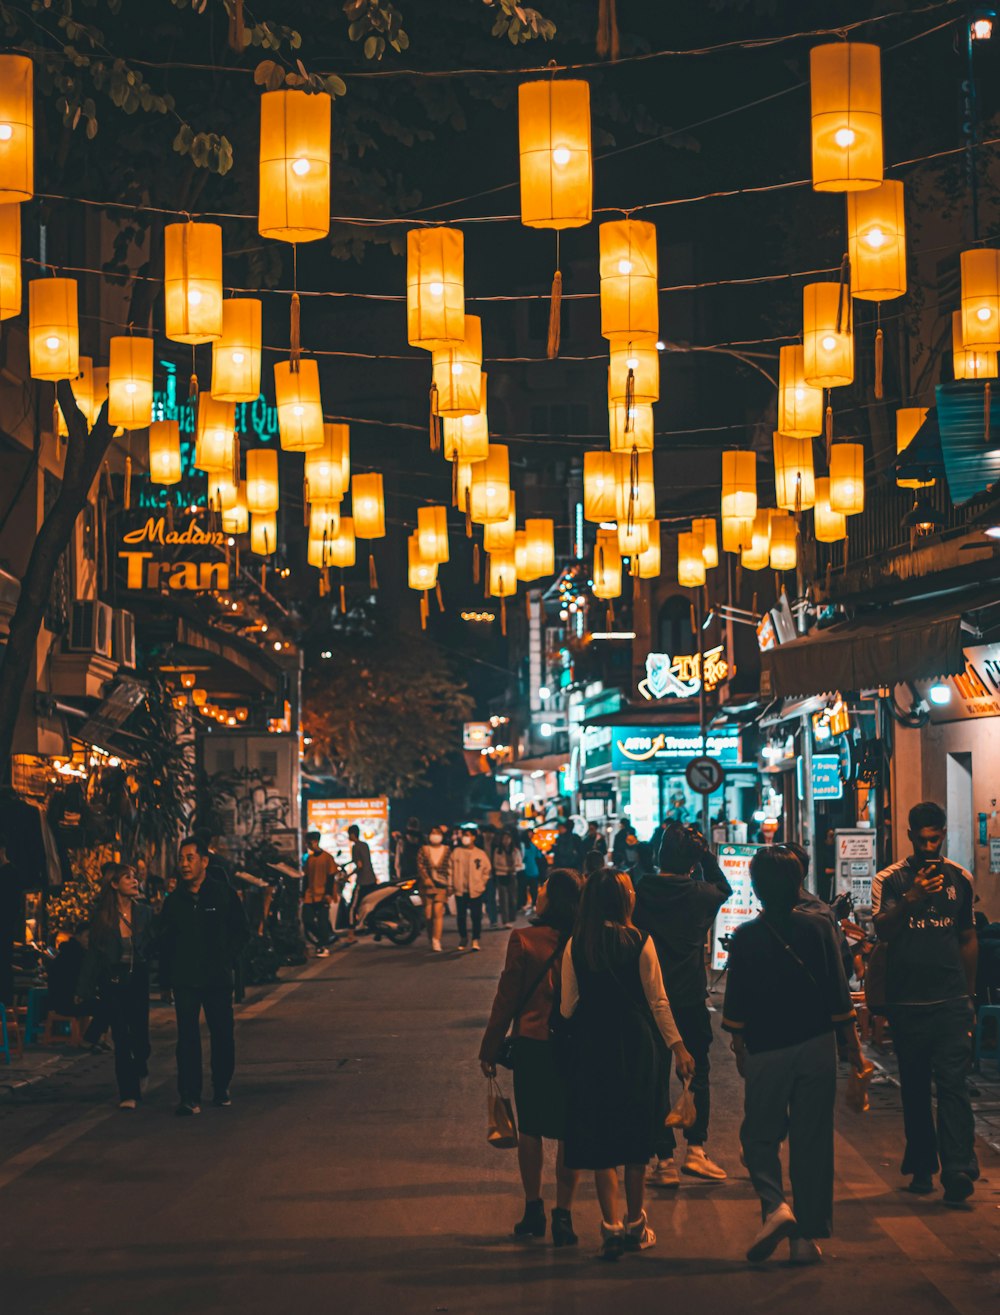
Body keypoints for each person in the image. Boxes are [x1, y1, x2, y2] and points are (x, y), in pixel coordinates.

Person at [724, 847, 863, 1265]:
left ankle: (775, 1206)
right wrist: (854, 1053)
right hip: (817, 1047)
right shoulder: (821, 928)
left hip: (768, 1050)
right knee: (813, 1143)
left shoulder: (747, 936)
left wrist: (738, 1047)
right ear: (798, 884)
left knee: (758, 1137)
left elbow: (736, 1007)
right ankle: (806, 1239)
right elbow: (840, 993)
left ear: (756, 887)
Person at [560, 869, 695, 1260]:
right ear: (622, 900)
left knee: (602, 1138)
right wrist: (678, 1047)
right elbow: (658, 1001)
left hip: (592, 1046)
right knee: (636, 1138)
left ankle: (611, 1227)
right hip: (637, 1046)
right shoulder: (640, 940)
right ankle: (637, 1224)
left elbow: (568, 1007)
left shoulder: (577, 944)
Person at [871, 800, 979, 1206]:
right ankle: (921, 1165)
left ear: (944, 834)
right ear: (911, 836)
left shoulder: (959, 878)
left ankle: (957, 1168)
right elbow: (882, 930)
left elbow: (967, 938)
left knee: (953, 1083)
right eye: (923, 839)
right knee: (914, 1085)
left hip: (950, 998)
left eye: (936, 839)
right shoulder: (891, 880)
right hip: (907, 1000)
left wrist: (968, 996)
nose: (930, 846)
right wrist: (912, 898)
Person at [480, 869, 584, 1246]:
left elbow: (506, 999)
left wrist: (489, 1048)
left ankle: (533, 1209)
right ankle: (564, 1217)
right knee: (571, 1132)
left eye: (543, 888)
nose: (537, 892)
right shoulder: (586, 939)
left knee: (531, 1129)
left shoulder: (523, 940)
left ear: (552, 898)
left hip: (533, 1044)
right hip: (576, 1047)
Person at [635, 822, 733, 1186]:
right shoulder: (702, 894)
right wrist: (704, 853)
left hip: (649, 997)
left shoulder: (641, 889)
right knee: (696, 1072)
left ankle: (663, 1161)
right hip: (690, 996)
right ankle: (695, 1150)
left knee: (656, 1076)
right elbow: (725, 886)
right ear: (692, 862)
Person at [159, 835, 250, 1116]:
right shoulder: (174, 902)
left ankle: (221, 1086)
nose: (184, 864)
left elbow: (241, 932)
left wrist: (226, 957)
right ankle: (189, 1095)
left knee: (222, 1034)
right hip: (185, 979)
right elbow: (166, 942)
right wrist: (166, 980)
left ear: (204, 861)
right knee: (187, 1038)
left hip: (217, 979)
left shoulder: (223, 894)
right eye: (181, 859)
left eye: (190, 858)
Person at [78, 864, 154, 1110]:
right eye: (127, 877)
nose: (134, 881)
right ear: (114, 884)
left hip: (138, 981)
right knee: (121, 1038)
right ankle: (128, 1093)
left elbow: (156, 947)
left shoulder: (145, 913)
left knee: (140, 1038)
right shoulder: (102, 917)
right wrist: (84, 989)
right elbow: (93, 955)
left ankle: (141, 1066)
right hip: (113, 983)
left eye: (135, 877)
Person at [0, 832, 33, 1007]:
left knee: (3, 969)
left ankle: (4, 1010)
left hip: (4, 931)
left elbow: (12, 908)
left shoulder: (10, 874)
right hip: (5, 931)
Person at [450, 829, 490, 952]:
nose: (465, 838)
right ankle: (463, 937)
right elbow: (450, 869)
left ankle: (475, 939)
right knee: (461, 916)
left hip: (475, 890)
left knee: (476, 916)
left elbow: (486, 870)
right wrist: (452, 884)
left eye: (467, 835)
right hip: (460, 889)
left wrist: (481, 884)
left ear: (473, 837)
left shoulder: (480, 853)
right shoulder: (456, 852)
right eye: (464, 835)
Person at [302, 830, 338, 957]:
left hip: (323, 895)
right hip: (310, 895)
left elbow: (331, 877)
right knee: (307, 920)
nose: (308, 845)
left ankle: (323, 946)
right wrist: (302, 894)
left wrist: (328, 894)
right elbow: (306, 878)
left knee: (322, 922)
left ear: (315, 842)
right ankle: (323, 941)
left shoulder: (327, 858)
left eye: (309, 843)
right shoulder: (310, 859)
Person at [417, 826, 452, 952]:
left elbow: (450, 867)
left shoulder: (447, 850)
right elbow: (420, 865)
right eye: (432, 833)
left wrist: (450, 885)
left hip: (441, 885)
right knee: (428, 915)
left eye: (437, 833)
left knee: (438, 912)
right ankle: (431, 937)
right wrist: (426, 878)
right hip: (427, 885)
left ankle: (436, 940)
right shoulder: (424, 849)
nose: (435, 835)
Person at [344, 824, 379, 945]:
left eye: (349, 834)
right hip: (372, 880)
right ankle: (373, 928)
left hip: (363, 881)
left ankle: (350, 934)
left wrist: (348, 875)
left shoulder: (355, 847)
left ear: (352, 834)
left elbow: (359, 865)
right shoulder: (365, 845)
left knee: (352, 908)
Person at [492, 830, 524, 928]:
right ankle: (505, 921)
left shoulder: (515, 851)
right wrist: (507, 869)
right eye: (504, 838)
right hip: (501, 876)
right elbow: (495, 865)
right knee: (503, 900)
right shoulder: (498, 851)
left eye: (508, 838)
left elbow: (520, 864)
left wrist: (515, 869)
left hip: (512, 876)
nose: (506, 840)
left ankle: (512, 918)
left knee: (513, 899)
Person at [519, 828, 545, 914]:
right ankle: (525, 903)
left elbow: (539, 856)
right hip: (525, 870)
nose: (530, 835)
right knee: (524, 889)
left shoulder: (532, 845)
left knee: (533, 889)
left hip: (532, 870)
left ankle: (534, 904)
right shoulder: (523, 845)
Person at [395, 817, 423, 881]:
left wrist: (398, 875)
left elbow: (398, 862)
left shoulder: (402, 840)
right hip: (416, 874)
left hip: (407, 874)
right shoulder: (422, 840)